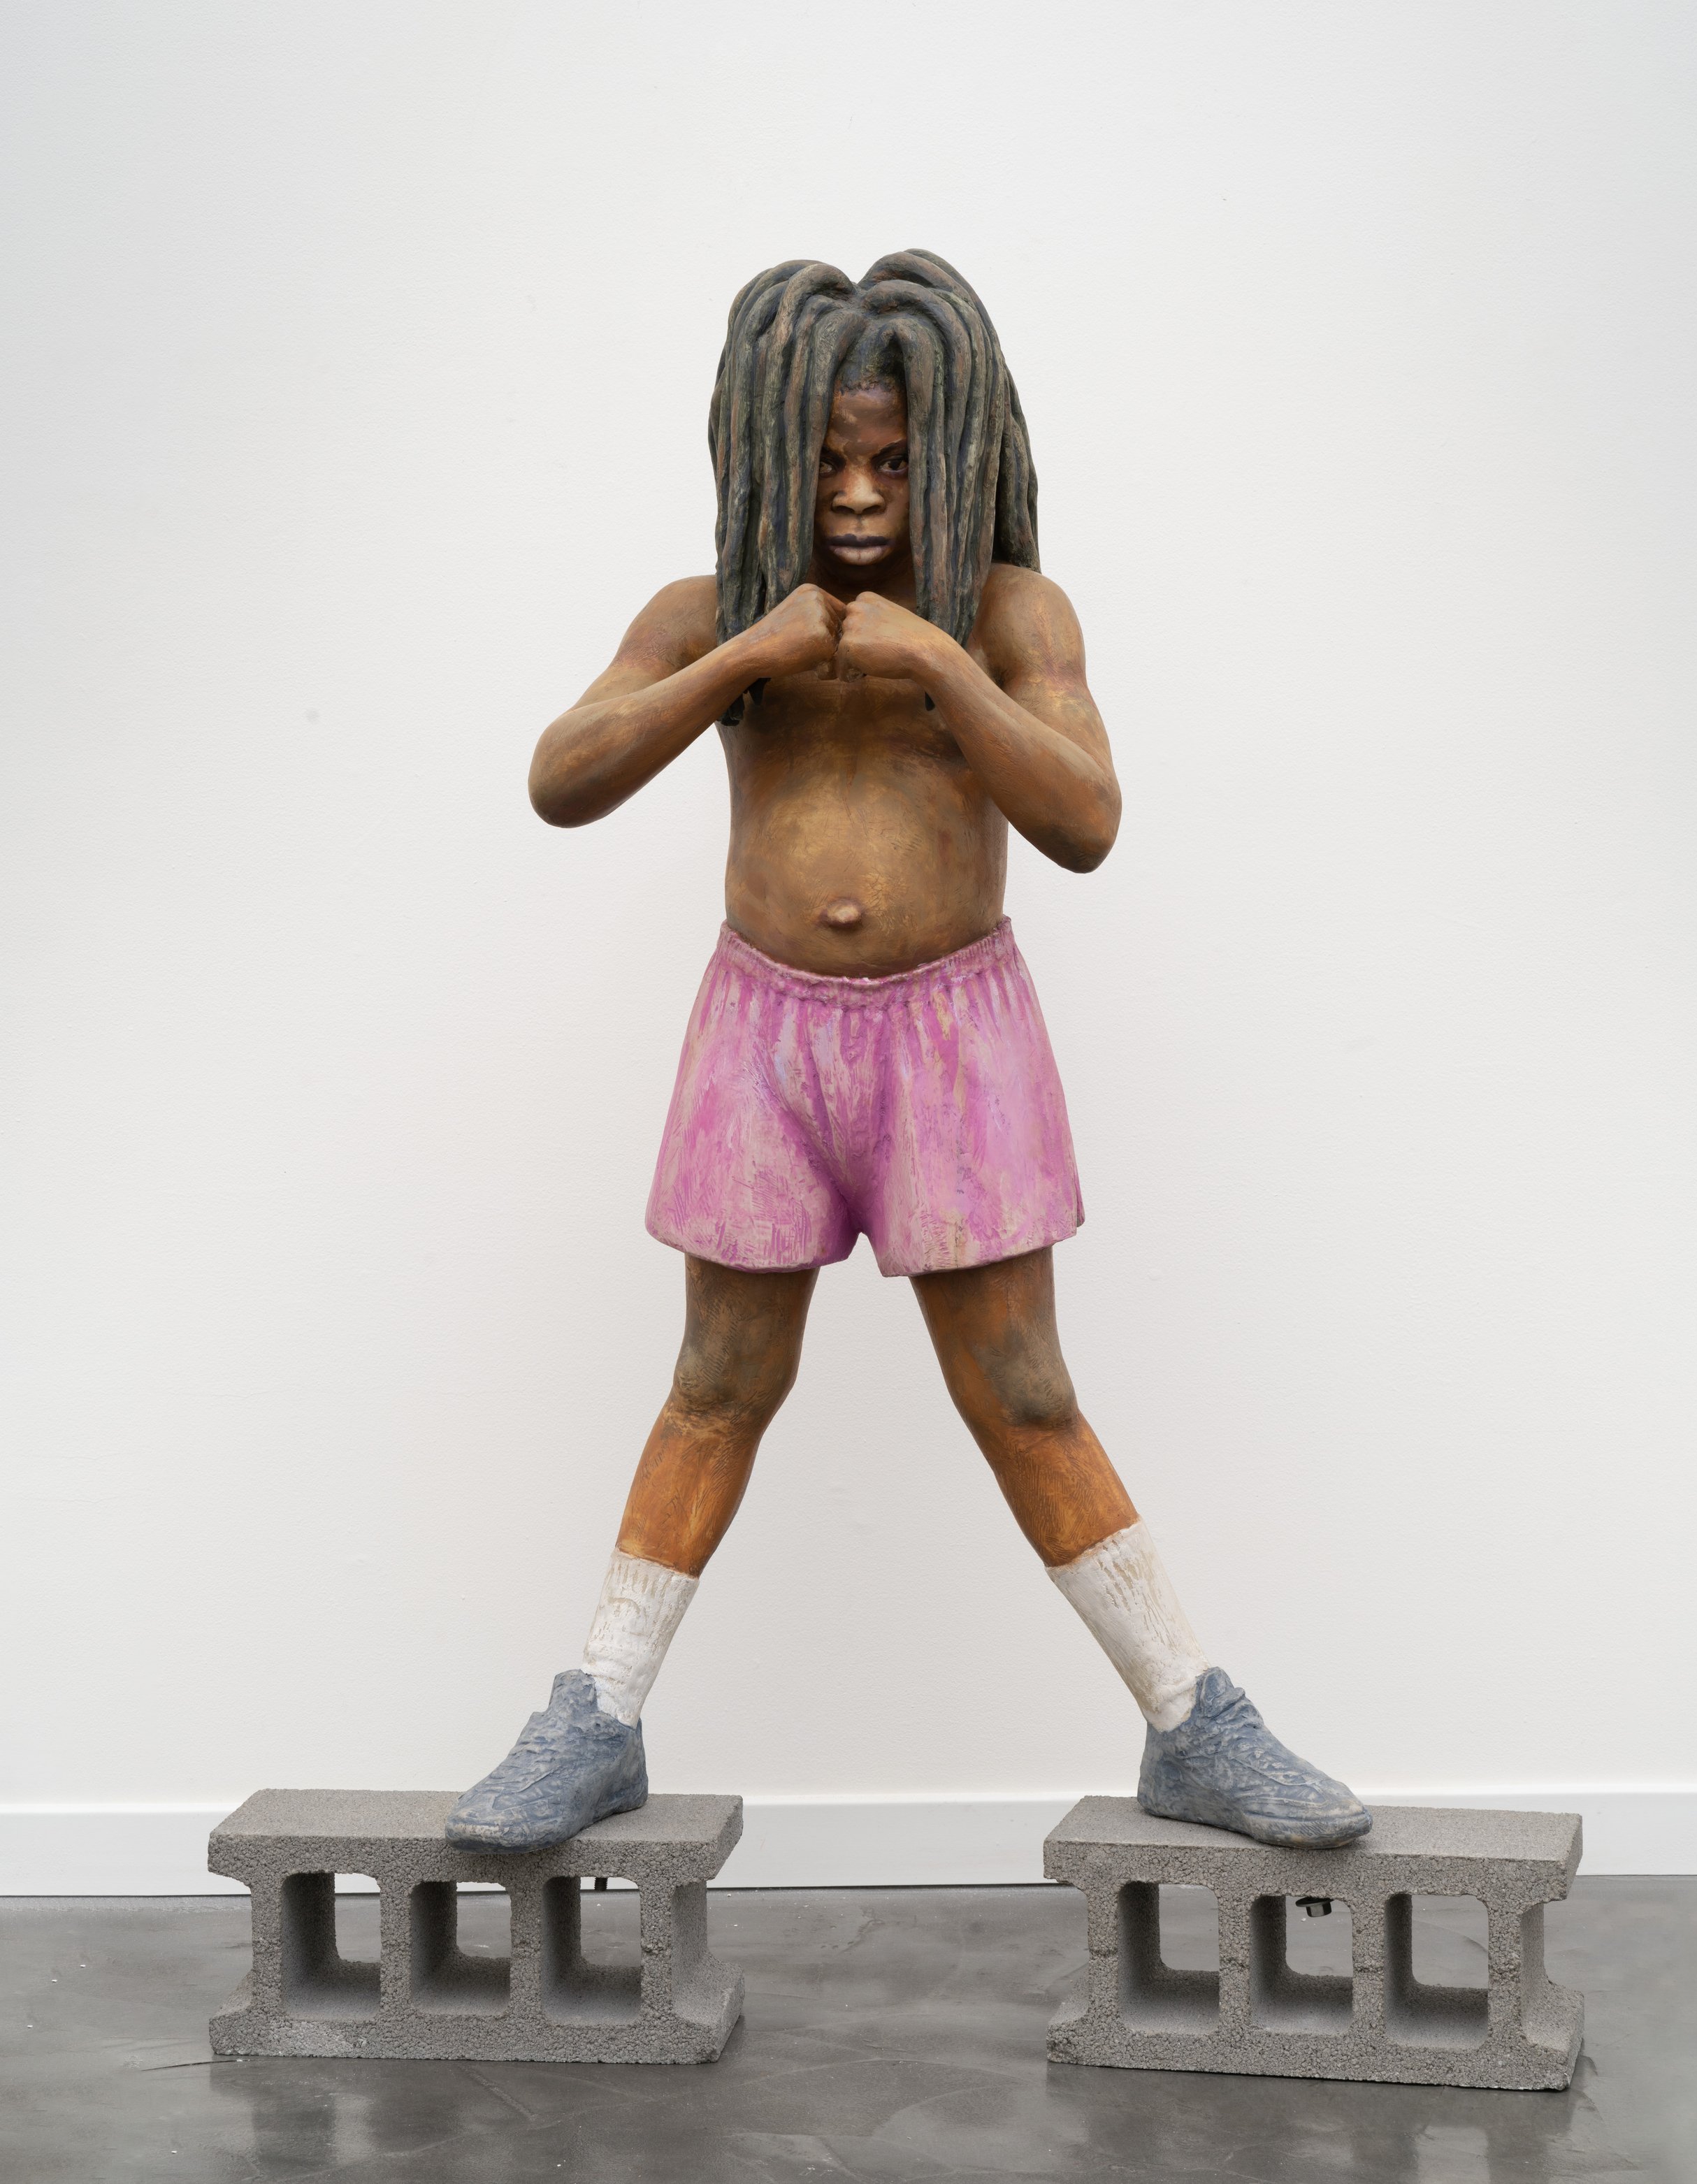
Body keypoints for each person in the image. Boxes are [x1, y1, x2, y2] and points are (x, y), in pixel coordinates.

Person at [446, 252, 1369, 1856]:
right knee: (716, 1382)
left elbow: (1083, 819)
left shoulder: (1009, 616)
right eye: (827, 463)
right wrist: (738, 662)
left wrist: (940, 664)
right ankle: (592, 1714)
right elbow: (559, 777)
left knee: (1022, 1389)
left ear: (954, 453)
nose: (862, 497)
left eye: (891, 459)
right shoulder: (704, 616)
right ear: (765, 457)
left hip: (954, 1034)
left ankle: (1191, 1721)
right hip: (762, 1035)